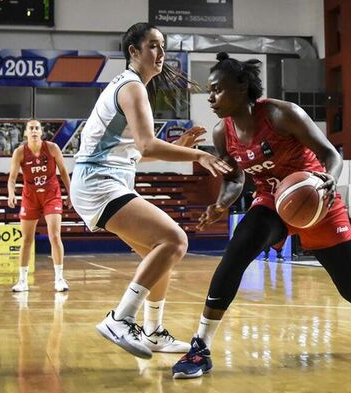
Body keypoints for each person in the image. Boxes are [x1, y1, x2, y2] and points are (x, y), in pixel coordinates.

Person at [172, 52, 351, 379]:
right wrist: (221, 203)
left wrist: (328, 178)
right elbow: (234, 179)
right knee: (235, 253)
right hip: (271, 202)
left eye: (217, 89)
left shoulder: (281, 114)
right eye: (209, 90)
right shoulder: (222, 133)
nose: (211, 97)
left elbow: (330, 154)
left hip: (315, 199)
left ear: (242, 85)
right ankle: (200, 346)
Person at [70, 23, 232, 360]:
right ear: (133, 51)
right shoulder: (132, 88)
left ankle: (154, 332)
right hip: (98, 183)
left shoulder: (130, 88)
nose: (160, 54)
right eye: (153, 46)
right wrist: (199, 154)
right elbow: (146, 144)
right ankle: (120, 318)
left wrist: (175, 146)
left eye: (162, 47)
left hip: (102, 179)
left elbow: (137, 150)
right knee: (175, 240)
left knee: (159, 257)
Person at [7, 119, 71, 293]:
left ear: (41, 132)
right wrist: (11, 193)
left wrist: (70, 193)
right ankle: (22, 281)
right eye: (31, 128)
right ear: (26, 133)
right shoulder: (20, 152)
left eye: (37, 128)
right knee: (26, 239)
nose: (34, 131)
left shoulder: (52, 148)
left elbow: (64, 172)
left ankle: (59, 278)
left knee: (55, 236)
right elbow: (12, 178)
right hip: (30, 196)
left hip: (51, 194)